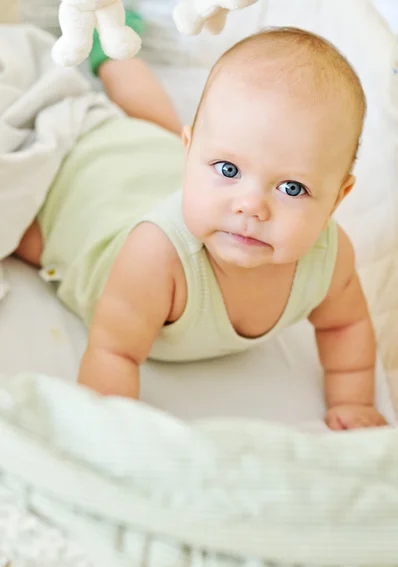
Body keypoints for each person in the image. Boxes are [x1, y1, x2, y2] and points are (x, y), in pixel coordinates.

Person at [16, 24, 387, 431]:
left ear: (338, 196)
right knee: (27, 235)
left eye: (291, 187)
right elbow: (113, 352)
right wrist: (110, 437)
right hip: (88, 191)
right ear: (190, 153)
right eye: (228, 169)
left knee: (156, 126)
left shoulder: (330, 259)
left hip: (151, 166)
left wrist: (353, 402)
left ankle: (117, 62)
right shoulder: (157, 257)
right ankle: (110, 38)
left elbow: (344, 326)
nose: (251, 206)